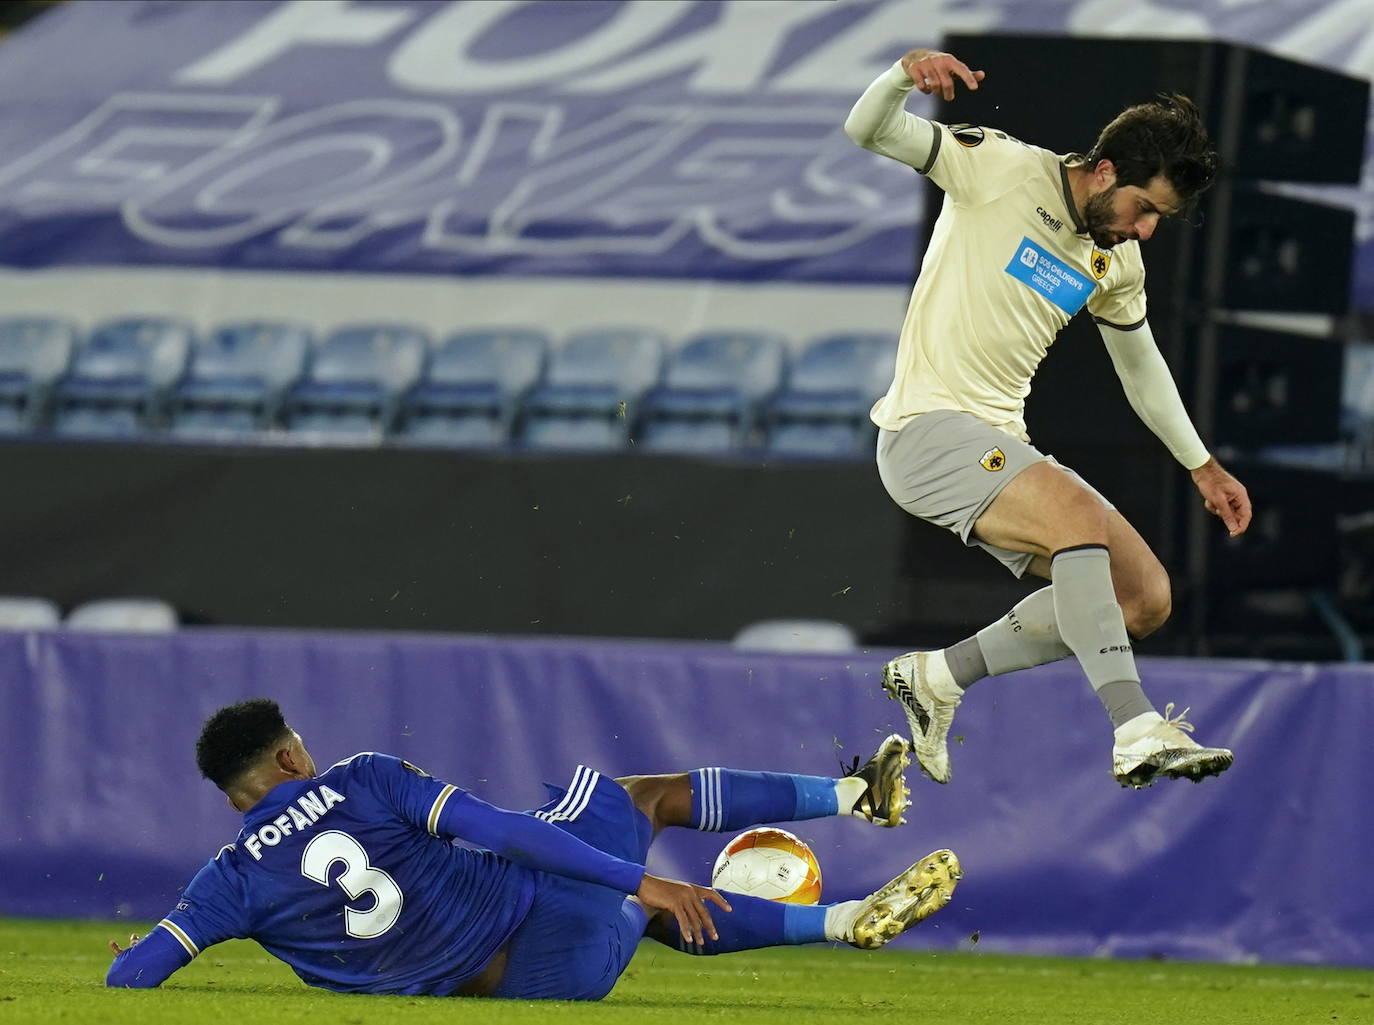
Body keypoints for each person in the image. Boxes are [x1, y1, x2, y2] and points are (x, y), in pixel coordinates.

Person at [843, 48, 1253, 789]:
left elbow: (1141, 368)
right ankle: (1134, 727)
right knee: (1076, 518)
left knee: (1143, 598)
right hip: (926, 432)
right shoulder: (997, 168)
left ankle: (938, 676)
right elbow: (868, 130)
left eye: (1159, 219)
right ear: (1104, 172)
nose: (1145, 231)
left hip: (999, 444)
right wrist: (903, 75)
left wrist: (1202, 465)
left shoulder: (1116, 262)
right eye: (1144, 208)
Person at [106, 699, 962, 999]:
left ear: (235, 795)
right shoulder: (362, 778)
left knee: (637, 912)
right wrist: (643, 880)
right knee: (639, 799)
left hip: (534, 985)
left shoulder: (226, 880)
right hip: (542, 915)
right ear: (292, 758)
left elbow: (132, 977)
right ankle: (855, 795)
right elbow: (506, 832)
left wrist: (145, 950)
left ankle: (843, 919)